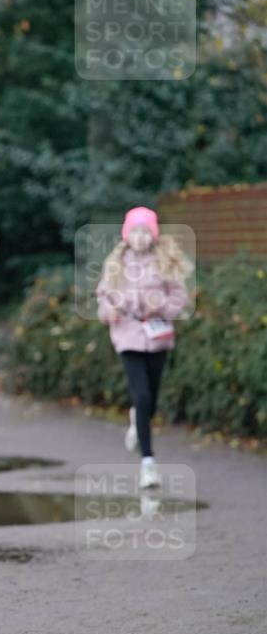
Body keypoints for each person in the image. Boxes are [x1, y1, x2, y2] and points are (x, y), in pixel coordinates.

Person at [96, 206, 192, 489]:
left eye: (145, 232)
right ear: (126, 234)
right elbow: (103, 295)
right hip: (127, 334)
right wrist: (109, 310)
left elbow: (180, 296)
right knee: (141, 395)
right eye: (135, 232)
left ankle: (139, 421)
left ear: (153, 235)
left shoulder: (164, 262)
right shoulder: (116, 263)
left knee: (151, 397)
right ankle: (148, 463)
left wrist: (161, 306)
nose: (139, 238)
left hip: (158, 334)